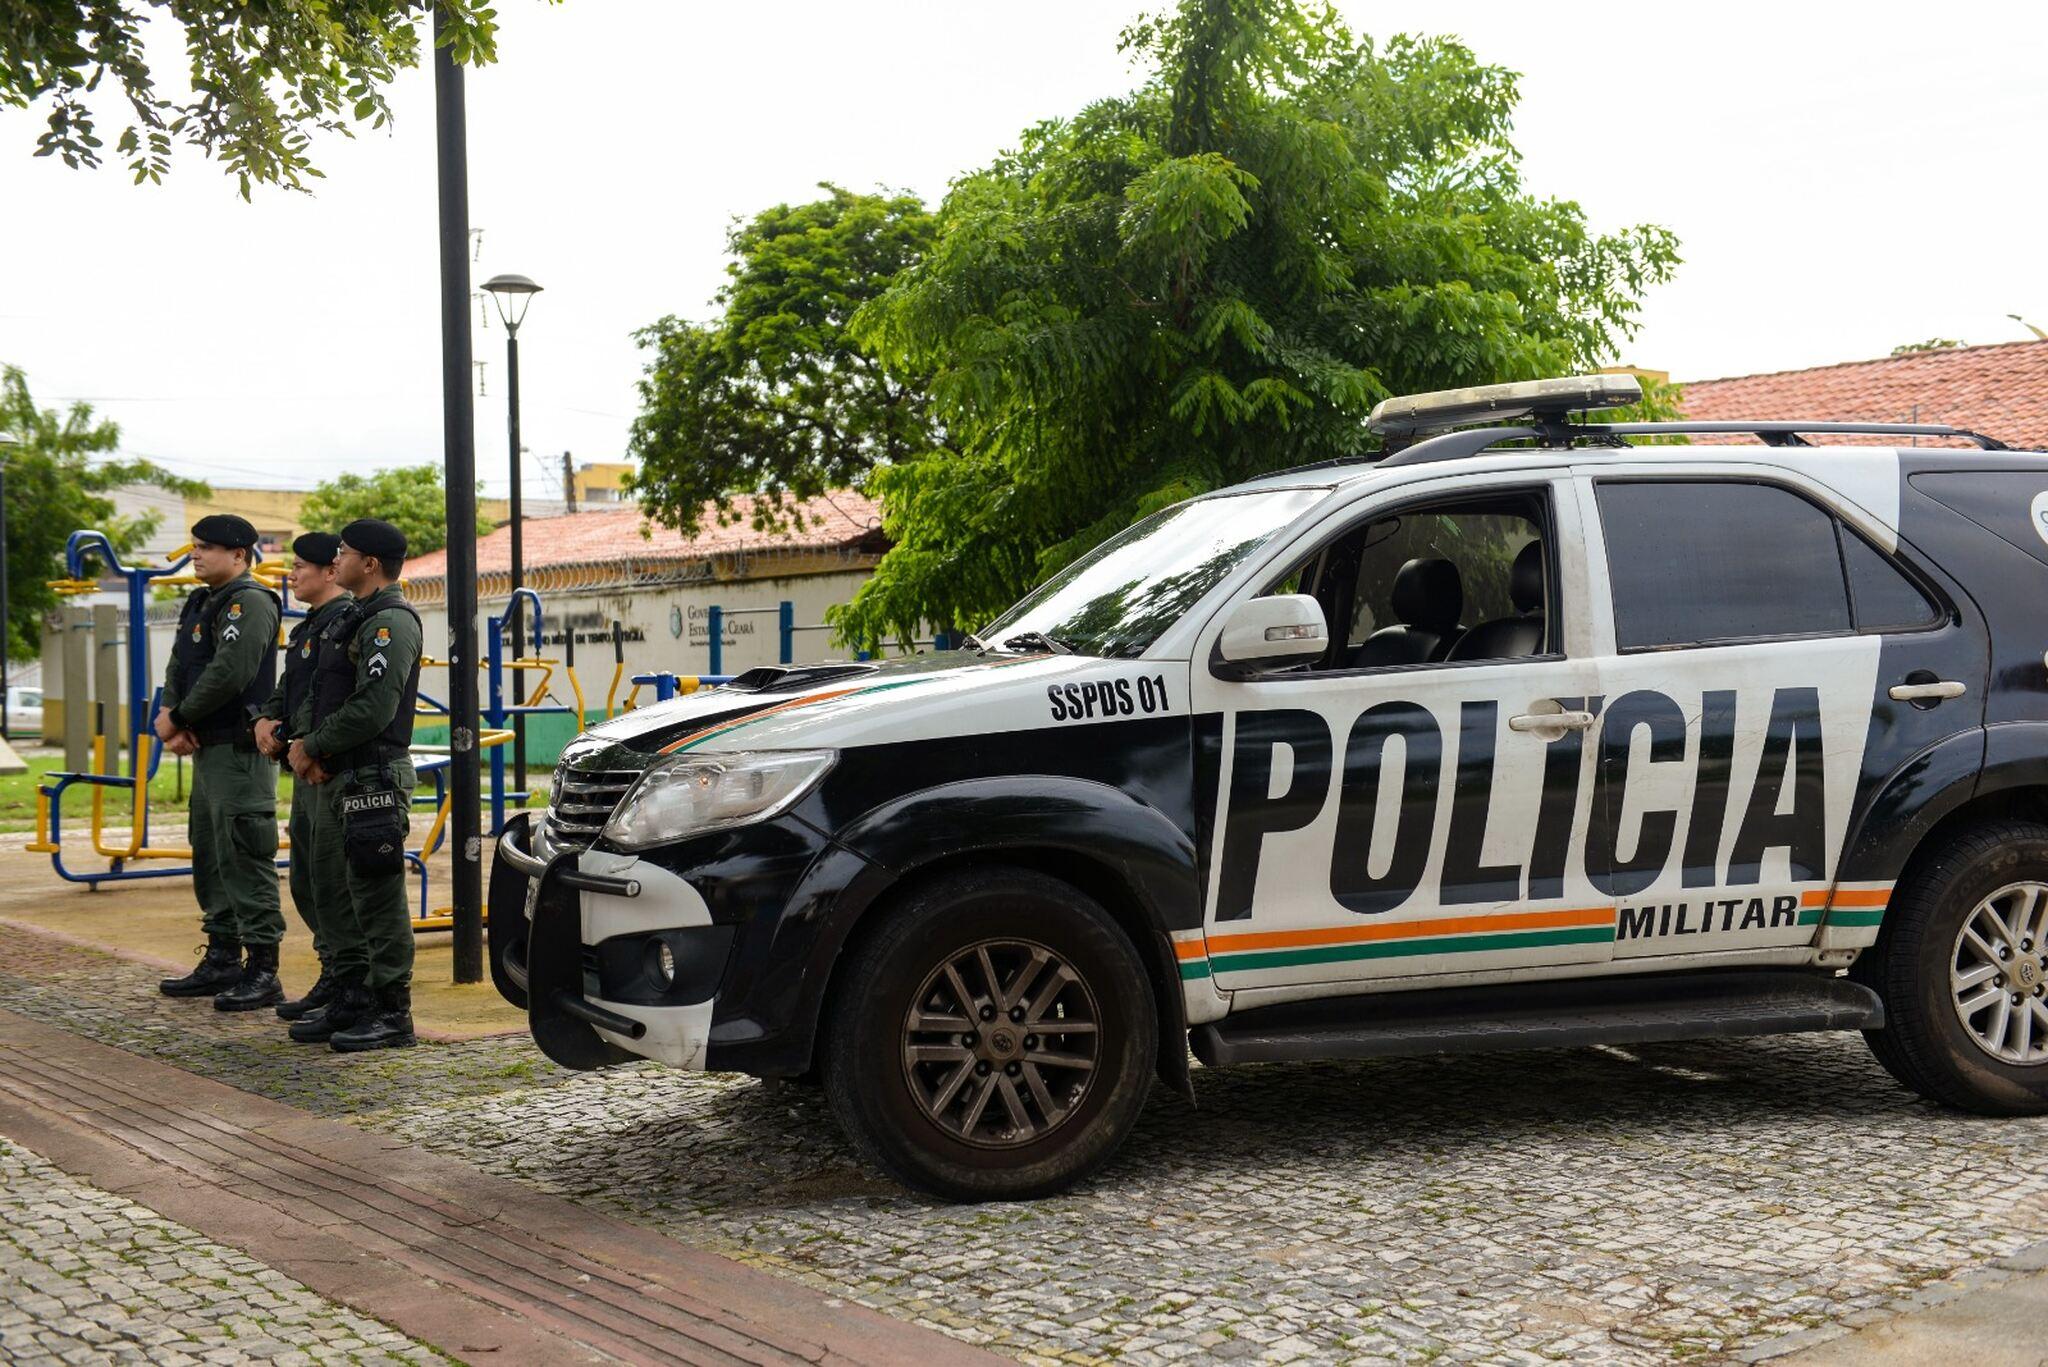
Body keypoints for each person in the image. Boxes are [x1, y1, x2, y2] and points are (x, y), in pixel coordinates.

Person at [285, 518, 423, 1052]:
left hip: (373, 775)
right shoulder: (355, 619)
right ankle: (353, 996)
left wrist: (312, 744)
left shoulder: (391, 622)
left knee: (375, 893)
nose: (334, 559)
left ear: (369, 564)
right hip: (345, 773)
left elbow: (373, 707)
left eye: (342, 553)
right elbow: (322, 692)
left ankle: (393, 1012)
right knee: (335, 891)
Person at [156, 515, 285, 1009]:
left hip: (238, 751)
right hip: (207, 749)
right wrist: (172, 715)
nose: (197, 553)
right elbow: (179, 665)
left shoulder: (249, 601)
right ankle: (223, 956)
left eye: (208, 547)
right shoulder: (201, 601)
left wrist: (182, 715)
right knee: (210, 857)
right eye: (195, 546)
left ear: (239, 555)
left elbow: (231, 672)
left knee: (243, 855)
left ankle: (264, 968)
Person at [253, 533, 353, 1024]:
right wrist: (265, 721)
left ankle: (349, 981)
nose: (292, 575)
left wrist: (309, 744)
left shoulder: (345, 621)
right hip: (300, 761)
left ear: (330, 572)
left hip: (325, 763)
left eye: (301, 567)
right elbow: (289, 687)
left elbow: (333, 697)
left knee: (333, 882)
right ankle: (332, 971)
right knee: (308, 881)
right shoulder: (310, 625)